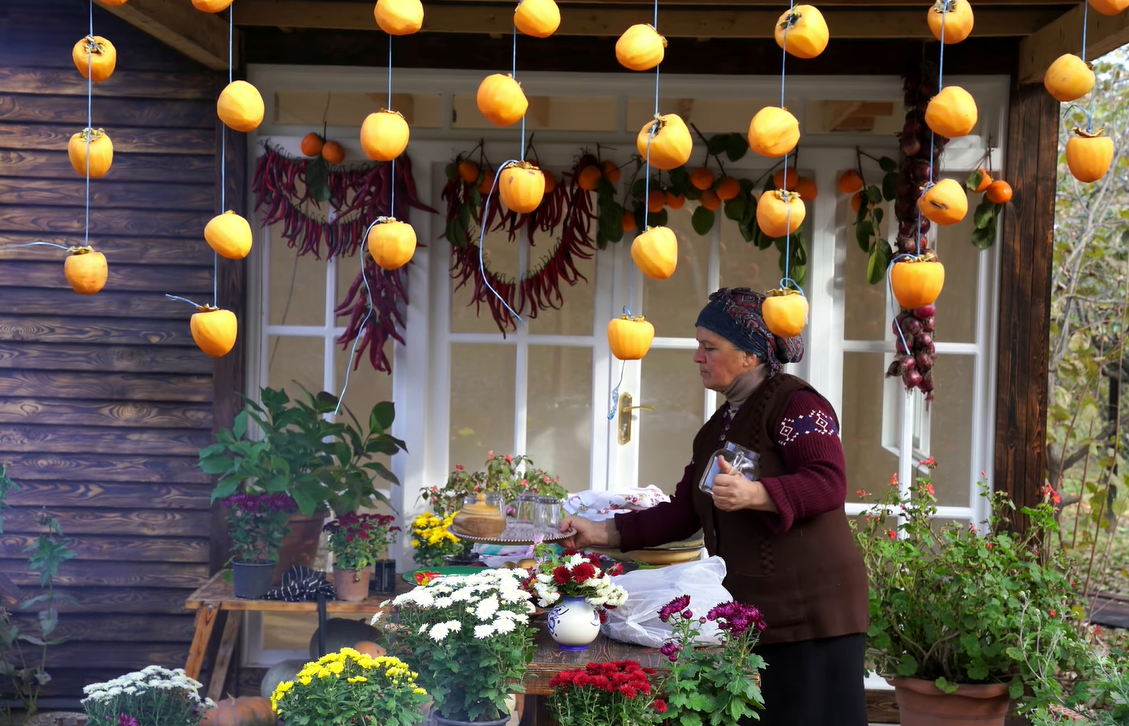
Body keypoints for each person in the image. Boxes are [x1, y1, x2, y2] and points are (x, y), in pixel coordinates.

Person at [559, 287, 870, 726]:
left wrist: (755, 495)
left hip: (814, 614)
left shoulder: (798, 404)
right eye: (698, 346)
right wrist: (599, 532)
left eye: (710, 347)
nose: (697, 357)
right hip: (757, 618)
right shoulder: (716, 429)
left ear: (750, 355)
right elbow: (683, 512)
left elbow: (828, 482)